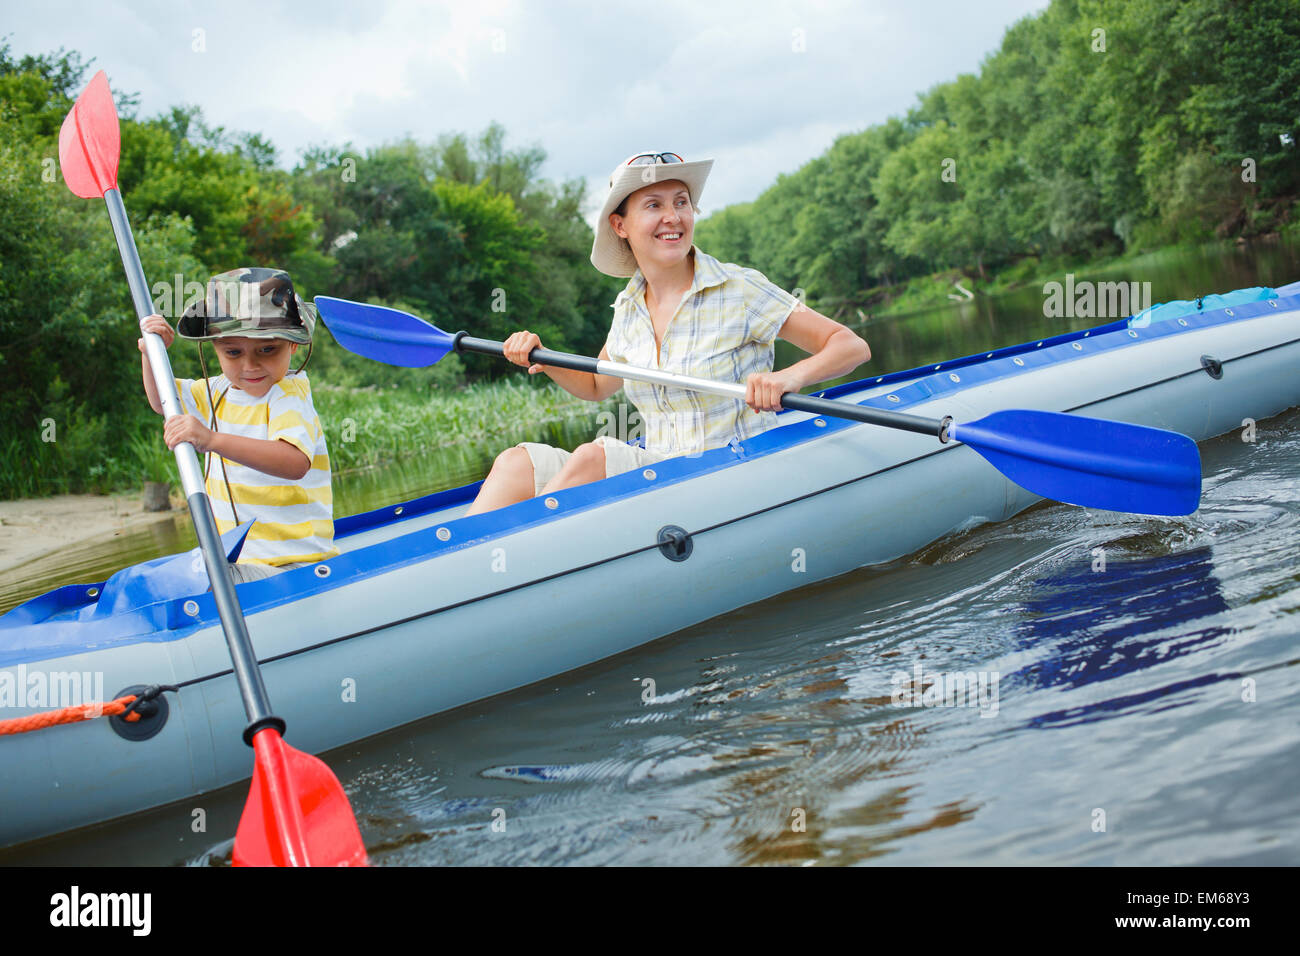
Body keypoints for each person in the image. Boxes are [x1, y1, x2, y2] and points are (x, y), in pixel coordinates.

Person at [465, 151, 871, 515]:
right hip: (662, 471)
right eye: (653, 205)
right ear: (620, 225)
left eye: (681, 203)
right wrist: (541, 354)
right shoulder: (628, 308)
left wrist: (789, 377)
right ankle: (470, 569)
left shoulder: (740, 289)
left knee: (593, 456)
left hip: (732, 470)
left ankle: (514, 565)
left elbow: (850, 346)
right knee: (516, 462)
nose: (673, 216)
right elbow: (594, 384)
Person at [138, 267, 337, 582]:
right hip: (240, 559)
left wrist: (211, 440)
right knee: (162, 578)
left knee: (202, 582)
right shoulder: (217, 390)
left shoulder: (287, 393)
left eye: (267, 349)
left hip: (293, 565)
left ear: (293, 345)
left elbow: (294, 462)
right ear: (215, 348)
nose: (250, 365)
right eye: (233, 352)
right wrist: (152, 355)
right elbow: (162, 401)